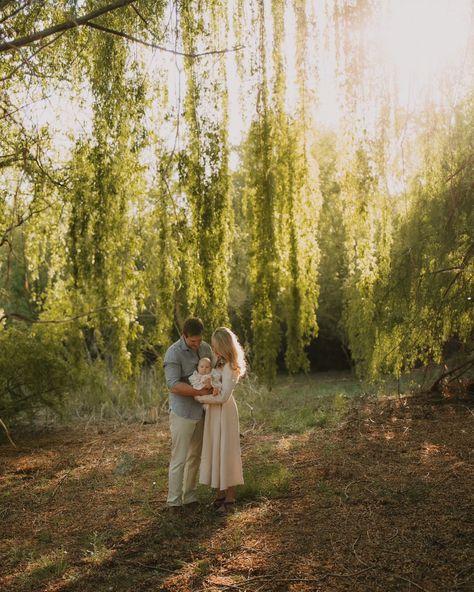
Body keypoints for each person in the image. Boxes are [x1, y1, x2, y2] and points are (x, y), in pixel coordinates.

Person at [163, 317, 213, 510]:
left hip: (202, 412)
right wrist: (200, 392)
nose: (197, 344)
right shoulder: (173, 353)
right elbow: (173, 385)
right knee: (179, 457)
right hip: (182, 412)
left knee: (195, 456)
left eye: (199, 340)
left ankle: (190, 497)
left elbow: (214, 372)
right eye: (193, 341)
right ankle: (174, 502)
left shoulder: (206, 348)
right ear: (184, 336)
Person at [194, 327, 246, 512]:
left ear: (224, 345)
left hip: (225, 412)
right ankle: (220, 494)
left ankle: (230, 499)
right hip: (214, 412)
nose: (214, 350)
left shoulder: (231, 366)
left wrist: (200, 399)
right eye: (213, 347)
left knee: (227, 451)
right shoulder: (218, 363)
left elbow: (224, 397)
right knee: (216, 449)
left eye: (216, 346)